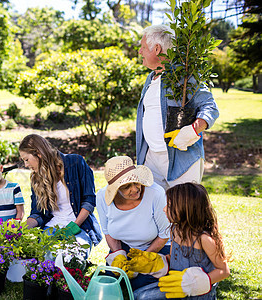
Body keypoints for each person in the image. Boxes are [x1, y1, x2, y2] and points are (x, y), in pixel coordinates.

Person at [136, 24, 219, 190]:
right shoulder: (150, 78)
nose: (140, 52)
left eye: (143, 47)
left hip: (181, 160)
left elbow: (210, 107)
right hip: (152, 158)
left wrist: (193, 130)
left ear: (157, 49)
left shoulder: (184, 76)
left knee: (184, 212)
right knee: (158, 212)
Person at [131, 183, 230, 299]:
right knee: (137, 295)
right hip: (176, 287)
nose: (164, 209)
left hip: (197, 294)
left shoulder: (205, 239)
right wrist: (156, 263)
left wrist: (194, 284)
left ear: (186, 209)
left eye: (169, 205)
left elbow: (224, 271)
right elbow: (174, 258)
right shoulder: (175, 230)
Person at [18, 134, 102, 255]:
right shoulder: (37, 179)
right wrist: (21, 229)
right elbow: (38, 213)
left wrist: (73, 226)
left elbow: (89, 201)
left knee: (72, 255)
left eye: (26, 159)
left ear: (38, 153)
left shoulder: (76, 163)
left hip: (79, 226)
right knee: (43, 256)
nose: (26, 165)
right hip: (52, 227)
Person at [96, 156, 171, 290]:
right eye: (126, 187)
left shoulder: (155, 193)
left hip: (156, 247)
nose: (135, 189)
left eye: (136, 182)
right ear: (116, 189)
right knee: (113, 280)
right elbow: (108, 232)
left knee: (136, 284)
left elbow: (164, 234)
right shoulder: (102, 197)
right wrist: (118, 254)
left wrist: (143, 258)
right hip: (125, 248)